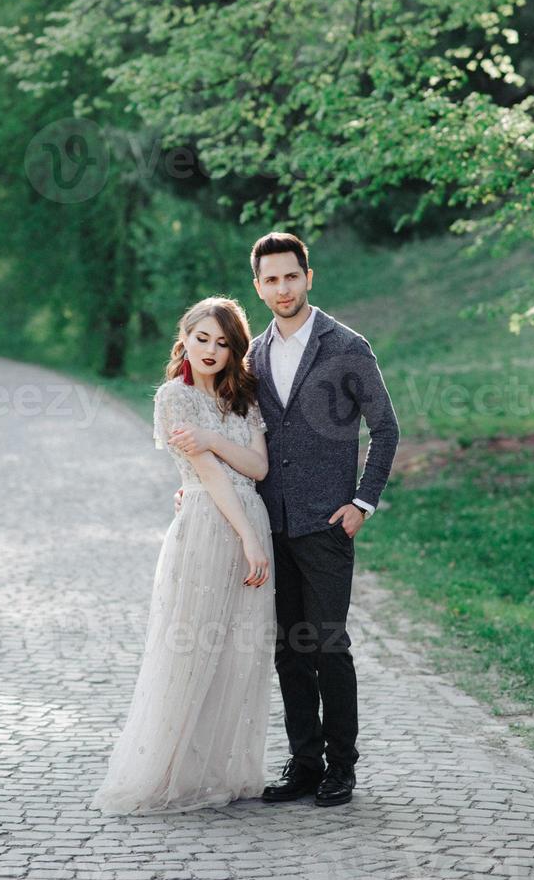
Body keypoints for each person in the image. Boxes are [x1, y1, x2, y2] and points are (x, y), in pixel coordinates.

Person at [176, 232, 400, 807]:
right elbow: (227, 433)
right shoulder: (250, 356)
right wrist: (195, 489)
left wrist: (362, 503)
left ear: (308, 276)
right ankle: (304, 763)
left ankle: (341, 768)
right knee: (287, 649)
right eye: (271, 280)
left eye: (291, 276)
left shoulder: (348, 346)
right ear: (258, 286)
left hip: (327, 524)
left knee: (328, 645)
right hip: (270, 523)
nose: (282, 288)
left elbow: (386, 428)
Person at [91, 297, 277, 814]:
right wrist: (248, 536)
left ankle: (220, 771)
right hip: (208, 526)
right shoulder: (174, 397)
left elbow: (258, 468)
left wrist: (213, 436)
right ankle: (170, 773)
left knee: (239, 653)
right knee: (191, 647)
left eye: (223, 343)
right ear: (185, 338)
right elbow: (210, 475)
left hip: (248, 522)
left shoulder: (243, 398)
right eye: (202, 339)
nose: (212, 350)